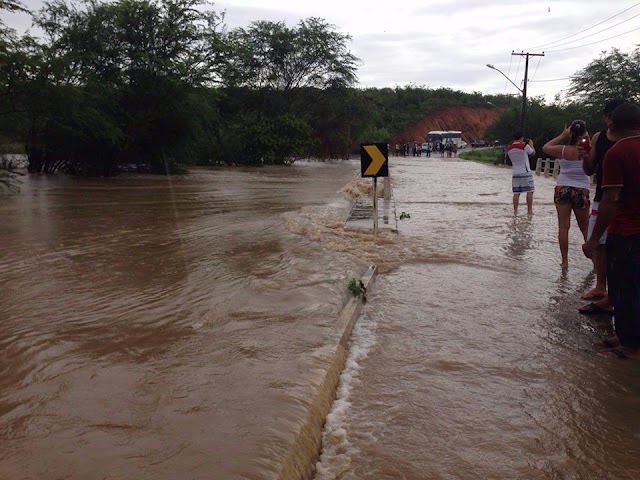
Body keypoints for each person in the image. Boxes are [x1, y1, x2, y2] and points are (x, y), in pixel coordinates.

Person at [583, 102, 640, 359]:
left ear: (613, 126)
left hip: (626, 231)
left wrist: (594, 238)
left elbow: (611, 198)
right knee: (631, 288)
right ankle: (626, 336)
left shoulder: (617, 153)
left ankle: (631, 347)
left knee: (624, 289)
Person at [578, 99, 626, 314]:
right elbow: (589, 170)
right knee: (599, 245)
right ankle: (601, 288)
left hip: (626, 200)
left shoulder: (632, 140)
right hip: (601, 197)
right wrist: (585, 156)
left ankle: (617, 296)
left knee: (622, 248)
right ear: (607, 118)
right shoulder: (599, 137)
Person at [543, 121, 592, 269]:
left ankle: (565, 262)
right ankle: (596, 262)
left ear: (570, 132)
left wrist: (562, 135)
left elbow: (545, 147)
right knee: (585, 228)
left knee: (563, 228)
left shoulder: (562, 150)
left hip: (562, 188)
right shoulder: (588, 150)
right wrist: (585, 135)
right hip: (581, 190)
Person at [506, 132, 535, 216]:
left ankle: (515, 212)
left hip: (515, 172)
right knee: (530, 191)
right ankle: (529, 211)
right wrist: (531, 144)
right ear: (522, 137)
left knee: (516, 193)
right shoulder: (524, 146)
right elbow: (532, 153)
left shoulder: (509, 148)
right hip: (525, 171)